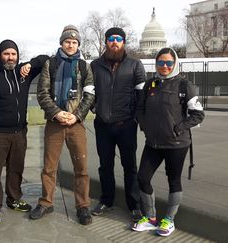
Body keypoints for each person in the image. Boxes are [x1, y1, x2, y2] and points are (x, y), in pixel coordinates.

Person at [0, 39, 48, 225]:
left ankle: (13, 199)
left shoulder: (23, 73)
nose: (10, 57)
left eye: (13, 54)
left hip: (19, 132)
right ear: (0, 55)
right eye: (6, 53)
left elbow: (46, 59)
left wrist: (30, 64)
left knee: (16, 168)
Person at [132, 47, 204, 237]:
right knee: (142, 178)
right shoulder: (150, 85)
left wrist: (177, 129)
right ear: (156, 64)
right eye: (161, 62)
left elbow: (198, 115)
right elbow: (139, 109)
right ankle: (150, 217)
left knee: (174, 181)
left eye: (169, 63)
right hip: (153, 143)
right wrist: (145, 124)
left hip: (176, 144)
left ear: (175, 63)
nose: (164, 66)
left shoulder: (184, 85)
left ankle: (169, 220)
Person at [29, 25, 95, 225]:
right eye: (67, 41)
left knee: (81, 166)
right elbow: (42, 93)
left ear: (78, 45)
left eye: (74, 42)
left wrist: (76, 116)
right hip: (55, 123)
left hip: (76, 123)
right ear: (61, 42)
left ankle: (83, 206)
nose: (71, 45)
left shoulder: (84, 66)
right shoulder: (51, 64)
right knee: (49, 166)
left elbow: (90, 93)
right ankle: (46, 202)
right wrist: (57, 113)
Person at [90, 27, 145, 222]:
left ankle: (135, 206)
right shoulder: (95, 65)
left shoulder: (135, 65)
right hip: (103, 125)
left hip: (126, 125)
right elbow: (89, 91)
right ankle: (106, 200)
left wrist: (136, 118)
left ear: (123, 42)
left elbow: (141, 95)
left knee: (130, 166)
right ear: (106, 42)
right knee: (105, 166)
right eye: (111, 38)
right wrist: (93, 108)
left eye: (119, 39)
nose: (115, 42)